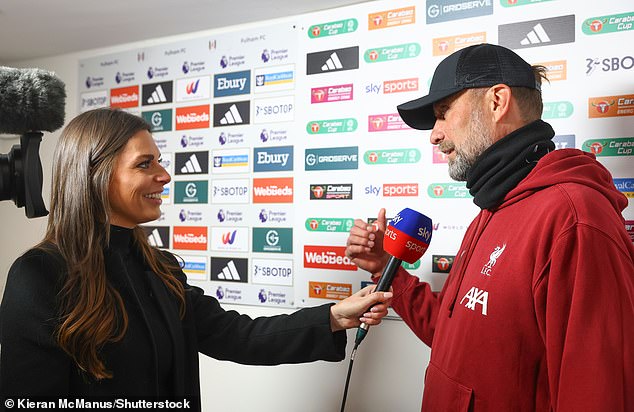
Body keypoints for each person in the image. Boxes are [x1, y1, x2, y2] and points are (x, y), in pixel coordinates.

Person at [0, 108, 392, 409]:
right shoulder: (40, 275)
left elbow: (236, 336)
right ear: (95, 174)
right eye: (144, 163)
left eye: (159, 160)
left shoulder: (161, 268)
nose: (165, 176)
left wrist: (334, 317)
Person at [346, 43, 634, 411]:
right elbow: (455, 334)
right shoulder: (490, 210)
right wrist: (386, 270)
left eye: (443, 112)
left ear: (497, 101)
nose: (433, 135)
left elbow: (597, 392)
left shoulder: (574, 218)